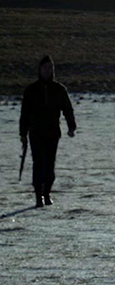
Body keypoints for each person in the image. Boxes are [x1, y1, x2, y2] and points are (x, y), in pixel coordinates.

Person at [19, 55, 78, 208]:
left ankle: (47, 193)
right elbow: (25, 113)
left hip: (53, 132)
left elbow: (67, 109)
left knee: (50, 165)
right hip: (36, 132)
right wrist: (23, 133)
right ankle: (38, 195)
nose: (47, 71)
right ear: (40, 69)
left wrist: (71, 126)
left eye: (50, 68)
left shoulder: (59, 89)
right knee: (39, 163)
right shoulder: (31, 90)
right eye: (45, 68)